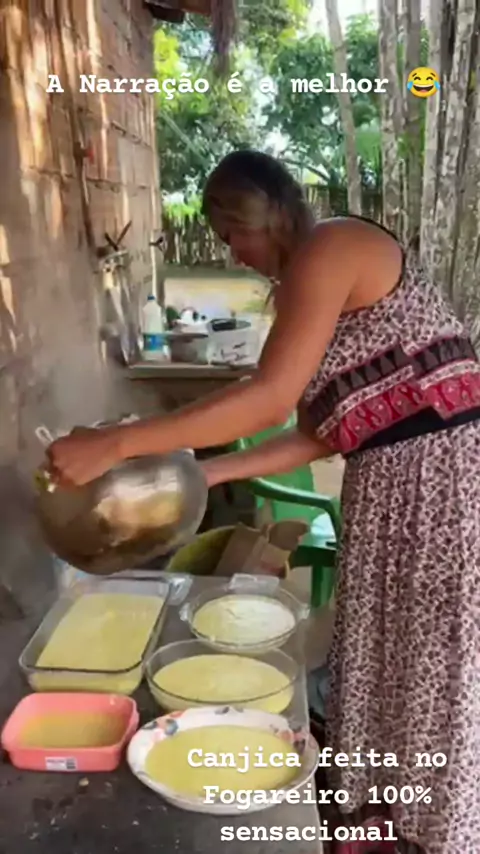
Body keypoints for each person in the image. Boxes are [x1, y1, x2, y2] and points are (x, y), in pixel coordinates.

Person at [47, 151, 480, 854]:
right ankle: (387, 828)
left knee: (437, 667)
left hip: (443, 492)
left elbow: (269, 399)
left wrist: (117, 445)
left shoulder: (333, 246)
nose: (233, 252)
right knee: (392, 667)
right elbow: (316, 433)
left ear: (267, 211)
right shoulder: (305, 283)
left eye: (233, 232)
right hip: (392, 491)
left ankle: (436, 830)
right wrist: (199, 476)